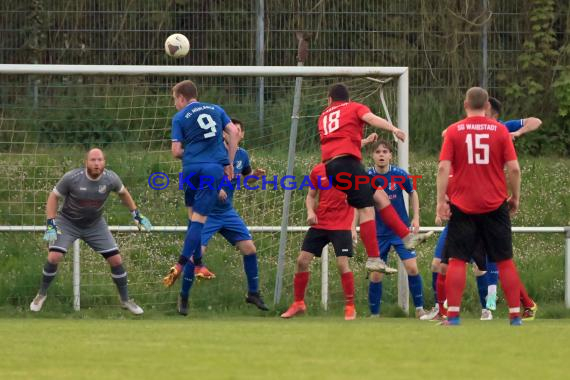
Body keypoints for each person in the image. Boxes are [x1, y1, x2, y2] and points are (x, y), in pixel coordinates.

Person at [423, 96, 542, 322]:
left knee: (466, 263)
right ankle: (514, 315)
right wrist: (515, 197)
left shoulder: (458, 131)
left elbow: (443, 164)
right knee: (502, 260)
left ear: (465, 104)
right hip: (493, 204)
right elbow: (514, 169)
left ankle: (469, 312)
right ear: (486, 106)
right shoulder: (499, 131)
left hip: (463, 206)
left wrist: (441, 201)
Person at [318, 83, 432, 274]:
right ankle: (373, 258)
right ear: (348, 98)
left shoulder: (324, 116)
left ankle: (406, 237)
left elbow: (340, 142)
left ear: (329, 100)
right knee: (367, 209)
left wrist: (364, 142)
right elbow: (371, 118)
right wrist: (393, 129)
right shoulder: (353, 107)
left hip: (333, 167)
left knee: (380, 197)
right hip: (348, 165)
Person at [30, 148, 152, 315]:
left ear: (104, 162)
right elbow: (53, 197)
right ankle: (41, 294)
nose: (96, 163)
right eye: (93, 160)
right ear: (86, 162)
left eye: (100, 160)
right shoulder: (72, 178)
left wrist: (136, 214)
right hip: (67, 222)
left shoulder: (111, 178)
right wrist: (51, 222)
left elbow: (123, 193)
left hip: (95, 225)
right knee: (54, 256)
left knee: (116, 260)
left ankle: (125, 300)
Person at [161, 80, 240, 314]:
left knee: (191, 218)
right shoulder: (216, 109)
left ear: (183, 98)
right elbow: (233, 132)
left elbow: (176, 151)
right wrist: (229, 161)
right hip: (212, 170)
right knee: (199, 221)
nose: (175, 103)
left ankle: (199, 265)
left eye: (175, 99)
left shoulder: (180, 118)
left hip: (190, 170)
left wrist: (193, 151)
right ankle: (181, 264)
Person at [176, 118, 269, 315]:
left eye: (238, 131)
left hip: (227, 212)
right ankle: (183, 297)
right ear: (223, 134)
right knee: (195, 254)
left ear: (241, 135)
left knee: (249, 248)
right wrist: (214, 188)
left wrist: (255, 177)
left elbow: (246, 178)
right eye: (230, 131)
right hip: (206, 213)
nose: (234, 134)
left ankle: (253, 293)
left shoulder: (242, 155)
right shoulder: (212, 153)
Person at [281, 163, 360, 320]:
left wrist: (352, 227)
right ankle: (298, 303)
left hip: (342, 224)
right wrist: (310, 211)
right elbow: (311, 196)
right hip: (321, 222)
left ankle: (350, 307)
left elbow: (356, 202)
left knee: (342, 264)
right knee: (302, 261)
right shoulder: (317, 170)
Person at [366, 140, 428, 318]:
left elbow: (412, 192)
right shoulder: (367, 176)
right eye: (378, 152)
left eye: (385, 151)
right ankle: (374, 315)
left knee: (412, 268)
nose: (381, 155)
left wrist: (415, 217)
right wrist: (354, 227)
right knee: (376, 275)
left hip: (400, 232)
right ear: (373, 156)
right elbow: (359, 203)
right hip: (379, 233)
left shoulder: (400, 174)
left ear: (391, 155)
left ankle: (419, 310)